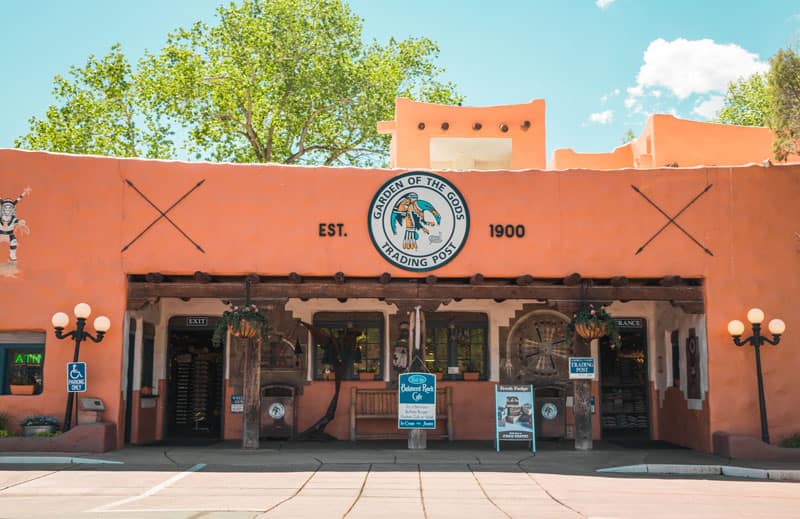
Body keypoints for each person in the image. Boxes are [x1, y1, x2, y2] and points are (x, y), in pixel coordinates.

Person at [0, 187, 31, 263]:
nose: (7, 210)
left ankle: (12, 257)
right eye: (6, 208)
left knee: (13, 242)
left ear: (12, 209)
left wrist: (21, 222)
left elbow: (18, 221)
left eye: (9, 208)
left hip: (10, 235)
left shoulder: (13, 218)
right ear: (2, 209)